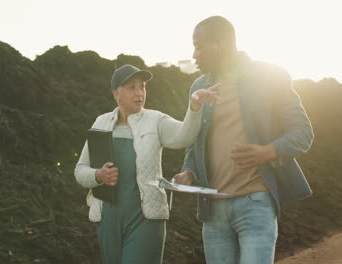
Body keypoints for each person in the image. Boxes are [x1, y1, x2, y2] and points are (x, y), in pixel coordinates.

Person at [172, 16, 314, 264]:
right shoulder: (199, 85)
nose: (194, 54)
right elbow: (197, 140)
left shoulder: (270, 77)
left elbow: (303, 132)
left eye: (199, 45)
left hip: (255, 203)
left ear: (223, 44)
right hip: (212, 209)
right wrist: (189, 171)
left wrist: (269, 151)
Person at [74, 64, 220, 264]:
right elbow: (80, 170)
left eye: (142, 86)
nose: (139, 93)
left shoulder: (156, 120)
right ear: (116, 94)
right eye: (131, 87)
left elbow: (184, 136)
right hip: (108, 218)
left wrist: (194, 107)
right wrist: (98, 175)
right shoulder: (101, 123)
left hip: (145, 217)